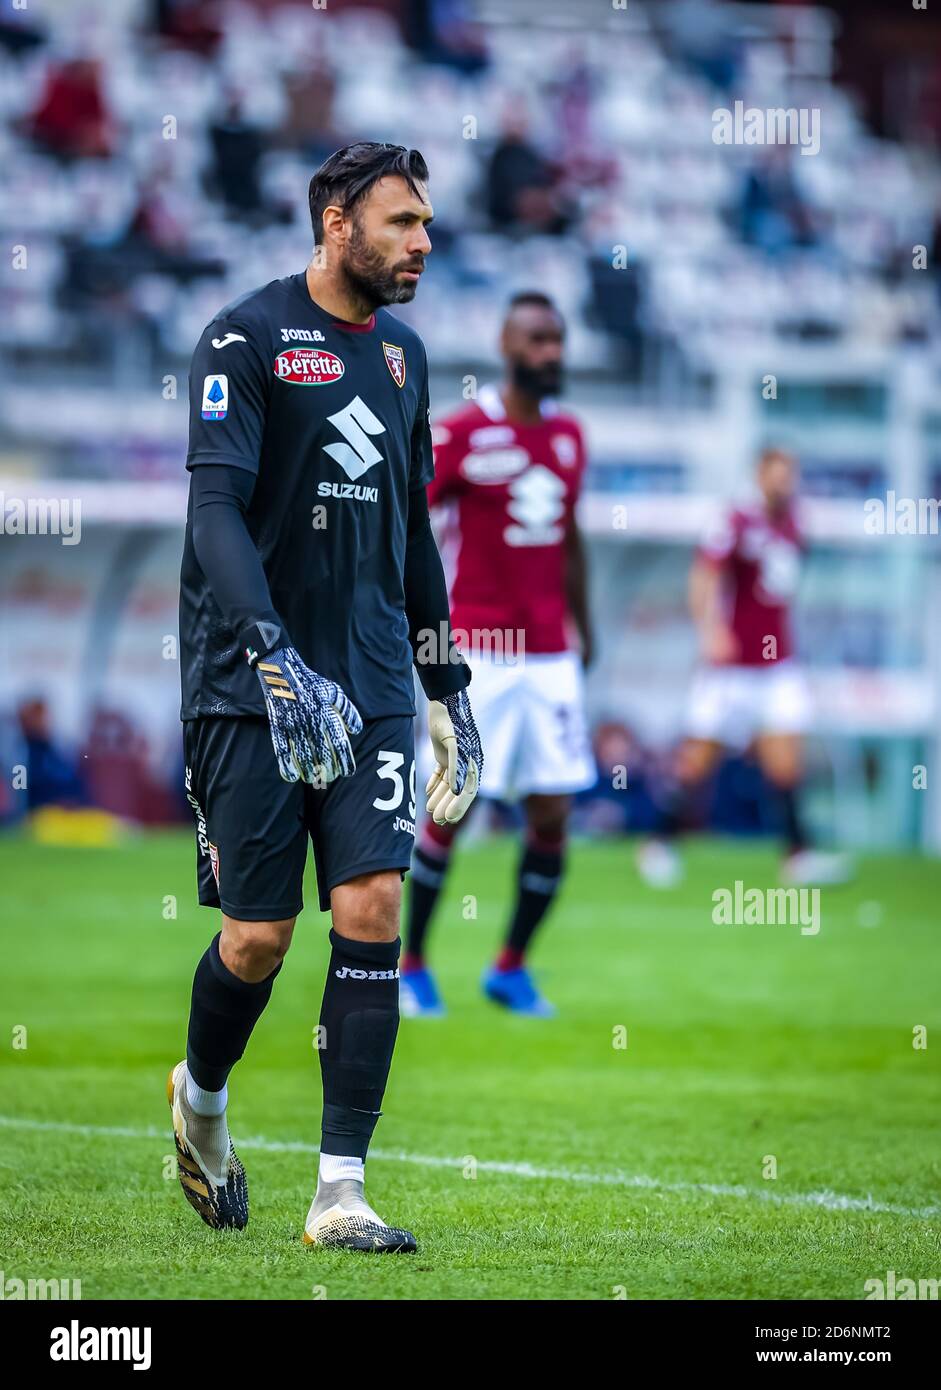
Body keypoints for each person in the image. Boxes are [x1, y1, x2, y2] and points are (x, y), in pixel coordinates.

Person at [170, 142, 482, 1253]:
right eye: (402, 222)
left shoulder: (403, 357)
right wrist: (268, 654)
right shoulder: (242, 338)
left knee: (371, 913)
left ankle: (338, 1189)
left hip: (373, 685)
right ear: (336, 223)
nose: (422, 243)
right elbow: (214, 518)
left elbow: (412, 535)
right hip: (247, 686)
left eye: (426, 223)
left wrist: (445, 686)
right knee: (256, 937)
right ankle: (200, 1102)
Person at [401, 292, 595, 1018]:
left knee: (551, 812)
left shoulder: (571, 436)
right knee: (450, 808)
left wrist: (586, 626)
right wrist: (420, 632)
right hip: (477, 652)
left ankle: (509, 967)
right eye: (538, 339)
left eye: (558, 339)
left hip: (550, 655)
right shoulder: (460, 433)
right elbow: (409, 526)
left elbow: (570, 538)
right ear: (506, 344)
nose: (551, 353)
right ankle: (410, 965)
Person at [637, 446, 849, 889]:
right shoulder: (734, 520)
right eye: (778, 472)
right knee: (698, 762)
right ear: (760, 473)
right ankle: (659, 843)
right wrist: (710, 629)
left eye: (791, 472)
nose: (785, 481)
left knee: (787, 762)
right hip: (731, 667)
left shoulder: (794, 523)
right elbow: (704, 575)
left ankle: (797, 854)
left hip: (777, 665)